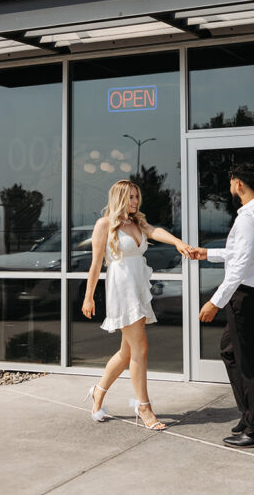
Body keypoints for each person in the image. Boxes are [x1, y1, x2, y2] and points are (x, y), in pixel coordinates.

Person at [82, 178, 192, 430]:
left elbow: (155, 232)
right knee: (140, 347)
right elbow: (95, 264)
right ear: (119, 198)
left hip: (138, 287)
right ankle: (143, 406)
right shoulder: (104, 225)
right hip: (121, 289)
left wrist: (178, 242)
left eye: (136, 197)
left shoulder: (137, 222)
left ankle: (98, 392)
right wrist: (88, 296)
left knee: (128, 352)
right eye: (130, 197)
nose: (135, 201)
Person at [192, 162, 254, 448]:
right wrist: (208, 253)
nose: (230, 186)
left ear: (239, 183)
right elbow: (241, 253)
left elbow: (239, 266)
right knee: (230, 351)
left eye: (231, 181)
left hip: (244, 295)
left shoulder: (248, 218)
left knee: (249, 363)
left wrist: (214, 302)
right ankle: (249, 415)